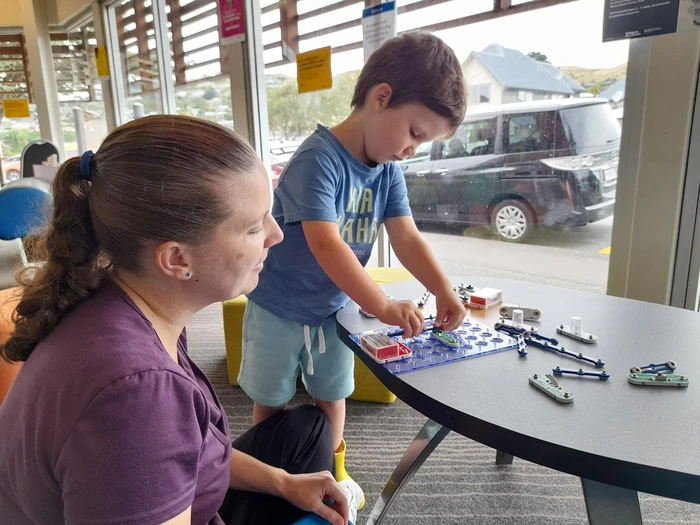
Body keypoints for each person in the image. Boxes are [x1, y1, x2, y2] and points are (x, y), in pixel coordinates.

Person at [0, 115, 358, 525]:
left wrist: (283, 483)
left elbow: (193, 447)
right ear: (176, 259)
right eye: (254, 226)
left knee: (308, 430)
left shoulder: (121, 302)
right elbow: (153, 432)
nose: (275, 235)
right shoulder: (136, 396)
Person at [239, 31, 469, 504]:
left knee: (332, 393)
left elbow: (406, 236)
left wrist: (444, 290)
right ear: (380, 97)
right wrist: (380, 303)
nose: (412, 150)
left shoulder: (387, 172)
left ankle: (332, 472)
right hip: (278, 304)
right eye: (414, 133)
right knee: (272, 396)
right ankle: (270, 478)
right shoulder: (317, 160)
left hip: (331, 309)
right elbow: (325, 243)